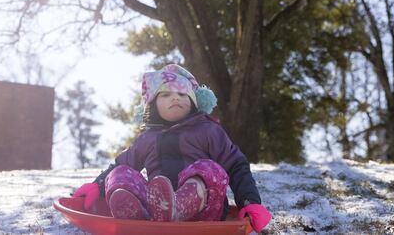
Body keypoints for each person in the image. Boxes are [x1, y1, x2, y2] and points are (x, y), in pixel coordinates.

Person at [73, 64, 271, 232]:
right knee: (120, 172)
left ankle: (179, 207)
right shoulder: (147, 138)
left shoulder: (208, 129)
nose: (175, 98)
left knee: (209, 169)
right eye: (165, 94)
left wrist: (250, 201)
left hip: (205, 214)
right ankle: (135, 215)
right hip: (155, 211)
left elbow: (236, 165)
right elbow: (121, 164)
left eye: (182, 93)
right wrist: (97, 185)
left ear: (194, 101)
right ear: (153, 105)